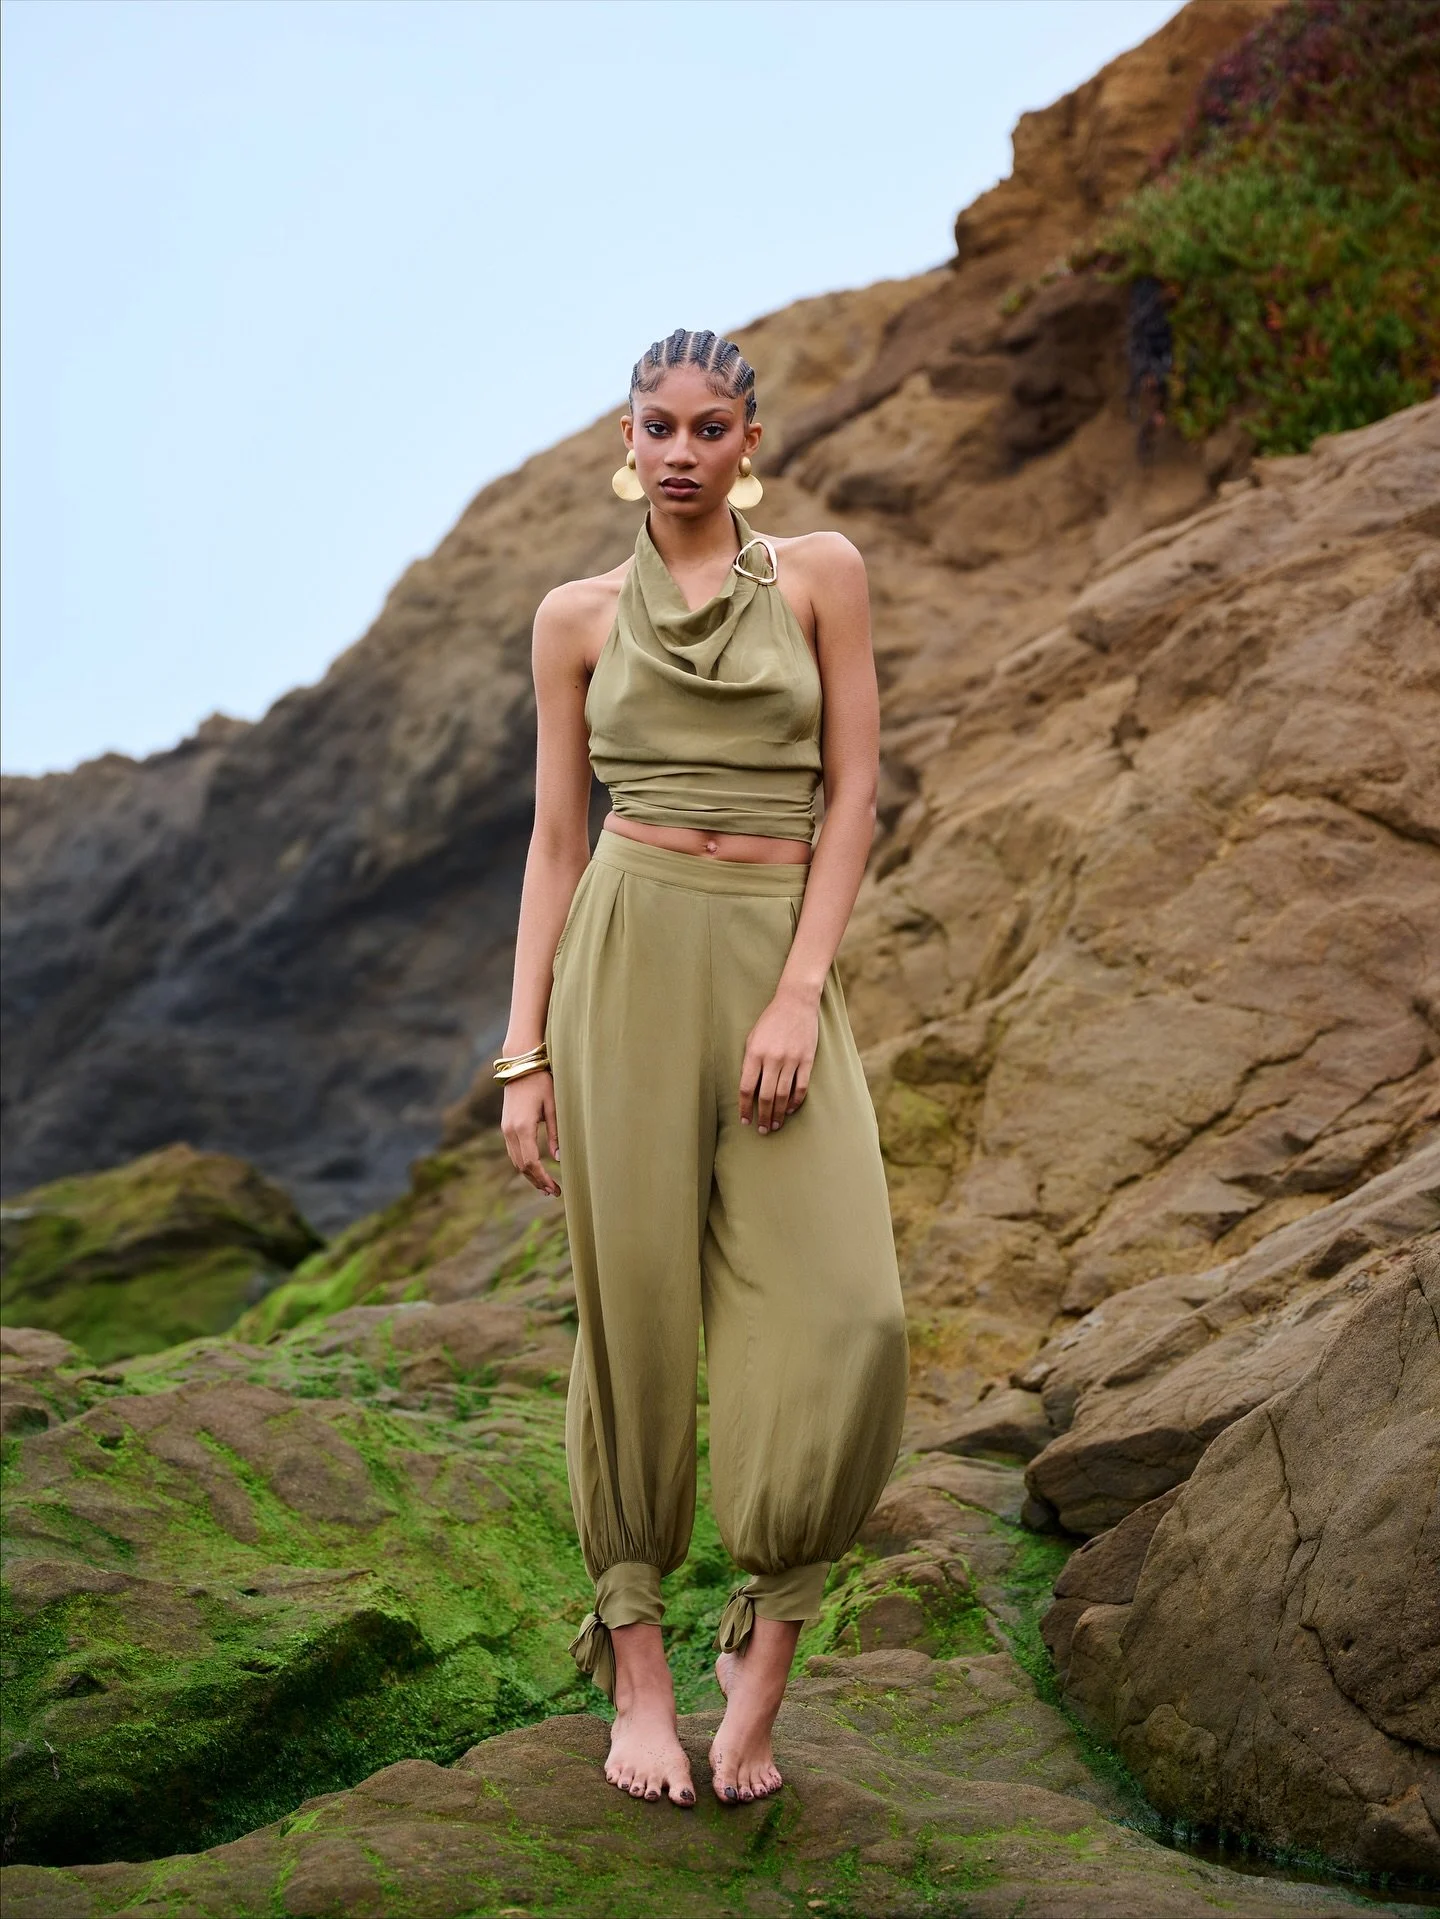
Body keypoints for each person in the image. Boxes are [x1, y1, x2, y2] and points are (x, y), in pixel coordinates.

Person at [497, 327, 908, 1811]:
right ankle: (642, 1671)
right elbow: (554, 842)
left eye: (709, 425)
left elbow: (856, 789)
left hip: (769, 952)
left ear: (751, 441)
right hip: (624, 951)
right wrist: (522, 1053)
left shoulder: (820, 577)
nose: (680, 448)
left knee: (849, 1307)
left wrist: (800, 988)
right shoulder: (575, 618)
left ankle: (766, 1658)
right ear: (628, 436)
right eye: (656, 424)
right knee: (637, 1313)